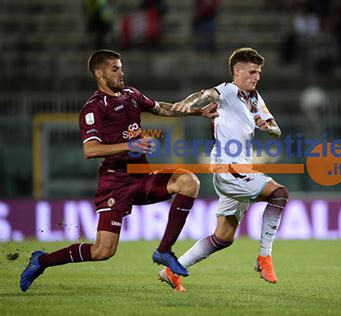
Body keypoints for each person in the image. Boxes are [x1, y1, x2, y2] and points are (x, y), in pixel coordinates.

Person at [19, 49, 217, 292]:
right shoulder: (93, 108)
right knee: (102, 251)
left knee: (188, 182)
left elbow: (160, 108)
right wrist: (130, 145)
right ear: (100, 73)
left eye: (121, 67)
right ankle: (41, 260)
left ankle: (164, 251)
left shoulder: (131, 94)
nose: (121, 73)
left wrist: (197, 112)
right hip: (115, 183)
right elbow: (90, 150)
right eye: (115, 69)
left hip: (141, 176)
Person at [158, 47, 289, 291]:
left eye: (259, 72)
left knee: (223, 237)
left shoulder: (254, 98)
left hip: (240, 169)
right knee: (279, 193)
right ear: (237, 72)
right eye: (252, 71)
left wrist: (267, 127)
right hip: (229, 169)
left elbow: (276, 129)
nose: (257, 76)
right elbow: (205, 94)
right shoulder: (228, 90)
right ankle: (264, 258)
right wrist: (185, 104)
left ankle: (170, 271)